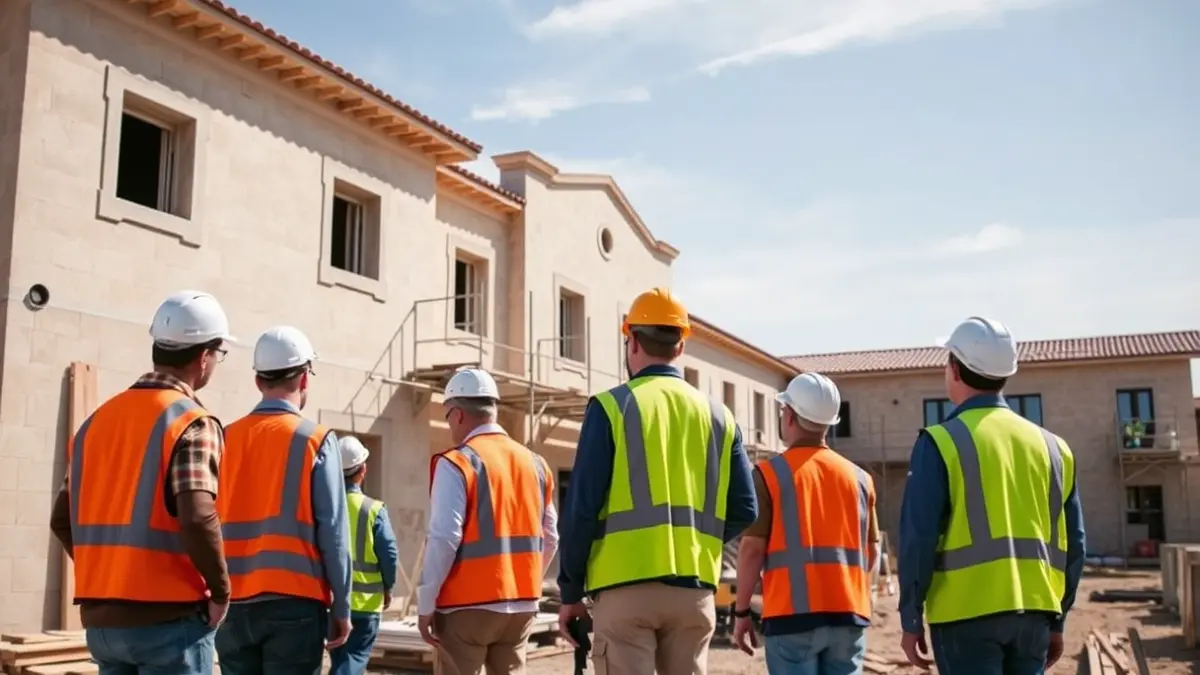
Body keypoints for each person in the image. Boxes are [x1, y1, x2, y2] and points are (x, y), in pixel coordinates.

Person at [557, 287, 759, 675]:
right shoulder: (720, 417)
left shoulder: (611, 407)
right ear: (681, 347)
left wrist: (570, 592)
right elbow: (746, 508)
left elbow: (581, 509)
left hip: (624, 590)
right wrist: (697, 541)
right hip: (695, 591)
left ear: (631, 340)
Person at [49, 290, 235, 675]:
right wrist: (220, 591)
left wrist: (110, 572)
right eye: (219, 354)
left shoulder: (95, 424)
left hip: (102, 626)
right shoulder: (192, 422)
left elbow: (62, 520)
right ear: (204, 357)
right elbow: (198, 516)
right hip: (169, 622)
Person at [898, 317, 1087, 675]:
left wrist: (910, 617)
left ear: (954, 368)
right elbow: (1074, 543)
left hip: (964, 615)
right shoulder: (1055, 449)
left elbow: (918, 539)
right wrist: (1058, 618)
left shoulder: (940, 442)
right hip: (1035, 611)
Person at [214, 325, 353, 674]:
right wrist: (342, 607)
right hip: (296, 603)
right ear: (305, 379)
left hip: (233, 603)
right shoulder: (315, 440)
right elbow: (334, 533)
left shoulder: (225, 437)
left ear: (258, 381)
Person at [733, 372, 879, 674]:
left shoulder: (769, 476)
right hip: (849, 615)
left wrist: (742, 610)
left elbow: (751, 551)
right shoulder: (861, 479)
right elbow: (872, 553)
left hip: (791, 619)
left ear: (789, 416)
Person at [416, 367, 558, 675]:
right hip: (520, 605)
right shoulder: (536, 464)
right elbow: (551, 535)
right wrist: (528, 581)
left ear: (457, 415)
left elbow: (444, 537)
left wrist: (426, 603)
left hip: (464, 609)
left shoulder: (457, 462)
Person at [331, 436, 400, 675]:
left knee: (341, 660)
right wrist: (389, 587)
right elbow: (389, 552)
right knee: (353, 661)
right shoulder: (373, 509)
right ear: (363, 470)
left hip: (332, 601)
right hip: (366, 604)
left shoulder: (323, 507)